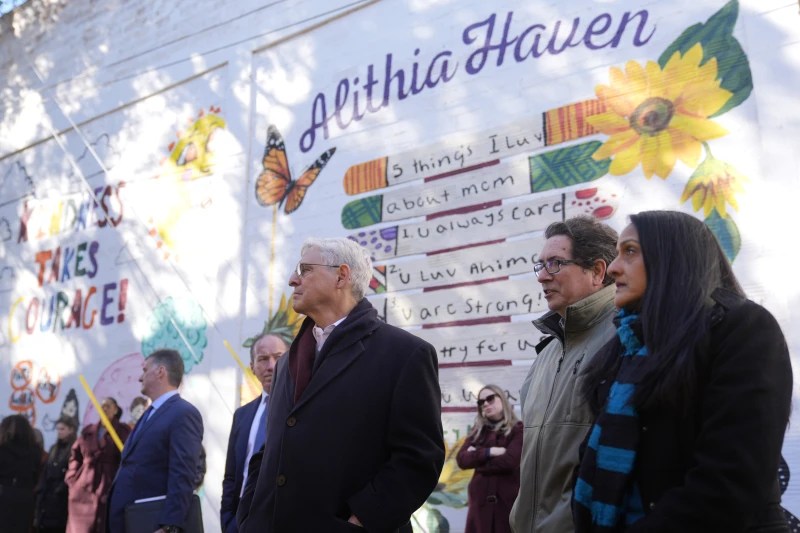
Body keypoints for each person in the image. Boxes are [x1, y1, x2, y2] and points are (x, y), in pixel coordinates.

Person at [573, 210, 792, 531]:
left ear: (673, 256)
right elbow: (590, 465)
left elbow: (731, 482)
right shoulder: (624, 346)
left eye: (630, 251)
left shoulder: (743, 328)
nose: (615, 268)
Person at [237, 237, 444, 533]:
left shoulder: (405, 354)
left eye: (305, 269)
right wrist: (249, 515)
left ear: (342, 276)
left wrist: (360, 521)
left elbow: (419, 460)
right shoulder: (287, 362)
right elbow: (273, 447)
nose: (292, 279)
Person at [510, 216, 618, 533]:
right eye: (540, 265)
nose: (542, 277)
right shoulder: (546, 355)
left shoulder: (625, 341)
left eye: (556, 263)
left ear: (598, 272)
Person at [107, 349, 204, 533]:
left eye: (144, 370)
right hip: (128, 521)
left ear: (160, 372)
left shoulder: (183, 413)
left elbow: (183, 473)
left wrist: (169, 525)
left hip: (151, 524)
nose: (140, 378)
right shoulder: (150, 414)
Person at [221, 332, 289, 533]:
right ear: (252, 367)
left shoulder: (301, 408)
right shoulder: (243, 415)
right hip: (241, 519)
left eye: (278, 357)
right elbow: (231, 476)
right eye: (262, 359)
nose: (270, 366)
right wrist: (227, 520)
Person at [456, 385, 523, 533]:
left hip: (506, 506)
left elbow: (510, 461)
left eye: (490, 399)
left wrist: (477, 460)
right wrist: (489, 452)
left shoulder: (518, 429)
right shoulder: (477, 432)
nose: (485, 404)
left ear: (502, 399)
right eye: (481, 402)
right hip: (479, 507)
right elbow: (462, 459)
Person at [65, 397, 132, 533]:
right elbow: (75, 456)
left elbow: (128, 458)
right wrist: (72, 477)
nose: (104, 409)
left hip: (107, 485)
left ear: (115, 410)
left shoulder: (122, 431)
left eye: (108, 406)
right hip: (83, 487)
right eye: (102, 406)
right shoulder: (88, 431)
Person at [0, 414, 43, 533]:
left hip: (3, 493)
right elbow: (36, 476)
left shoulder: (2, 448)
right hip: (25, 496)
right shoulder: (35, 450)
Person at [35, 416, 77, 533]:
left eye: (62, 429)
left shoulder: (74, 449)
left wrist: (61, 488)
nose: (59, 432)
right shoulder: (54, 449)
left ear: (71, 430)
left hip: (62, 498)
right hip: (47, 497)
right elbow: (46, 471)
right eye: (57, 429)